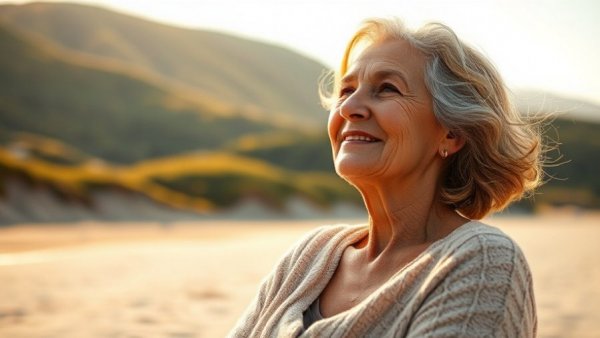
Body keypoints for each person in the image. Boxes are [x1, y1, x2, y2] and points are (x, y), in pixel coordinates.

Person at [228, 17, 541, 337]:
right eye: (346, 90)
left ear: (451, 133)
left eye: (387, 89)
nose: (349, 107)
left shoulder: (482, 260)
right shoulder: (308, 256)